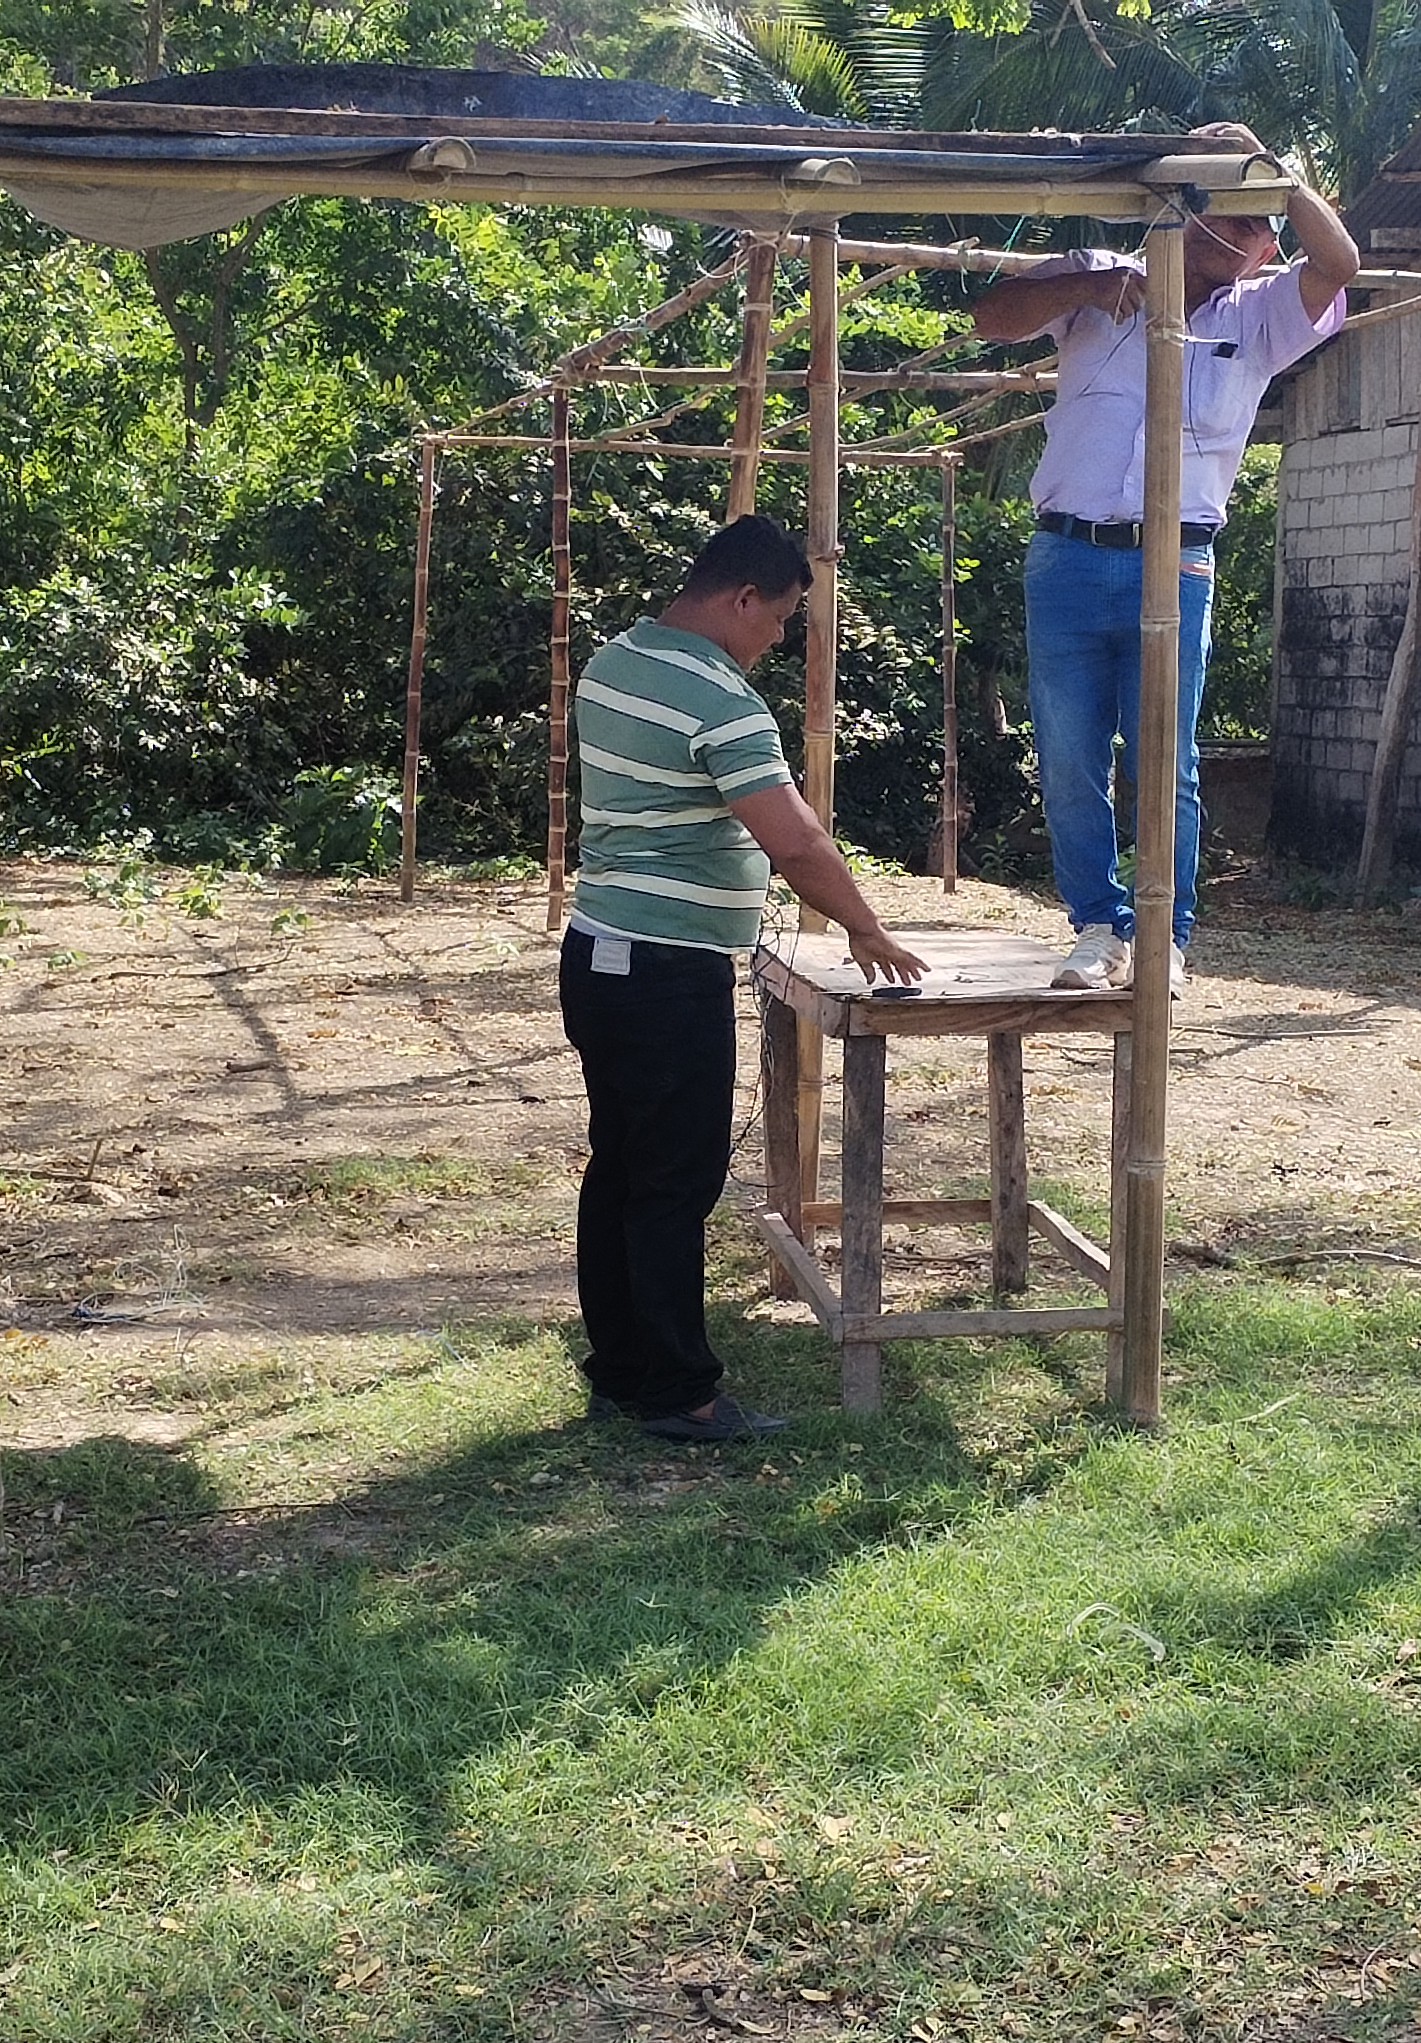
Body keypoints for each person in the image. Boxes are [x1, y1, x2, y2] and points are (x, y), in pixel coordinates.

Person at [561, 515, 931, 1442]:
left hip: (599, 953)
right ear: (743, 598)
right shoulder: (719, 700)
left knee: (623, 1167)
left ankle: (623, 1367)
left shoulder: (612, 661)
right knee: (672, 1180)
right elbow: (794, 840)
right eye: (780, 620)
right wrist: (866, 926)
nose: (776, 640)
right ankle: (680, 1393)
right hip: (664, 970)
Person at [971, 127, 1359, 990]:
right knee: (1067, 755)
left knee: (1164, 760)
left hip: (1176, 562)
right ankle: (1096, 925)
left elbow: (1341, 262)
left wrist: (1277, 170)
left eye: (1259, 223)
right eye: (1227, 210)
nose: (1244, 233)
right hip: (1069, 552)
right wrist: (1095, 285)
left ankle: (1163, 936)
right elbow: (991, 318)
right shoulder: (1099, 272)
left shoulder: (1261, 316)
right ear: (1183, 212)